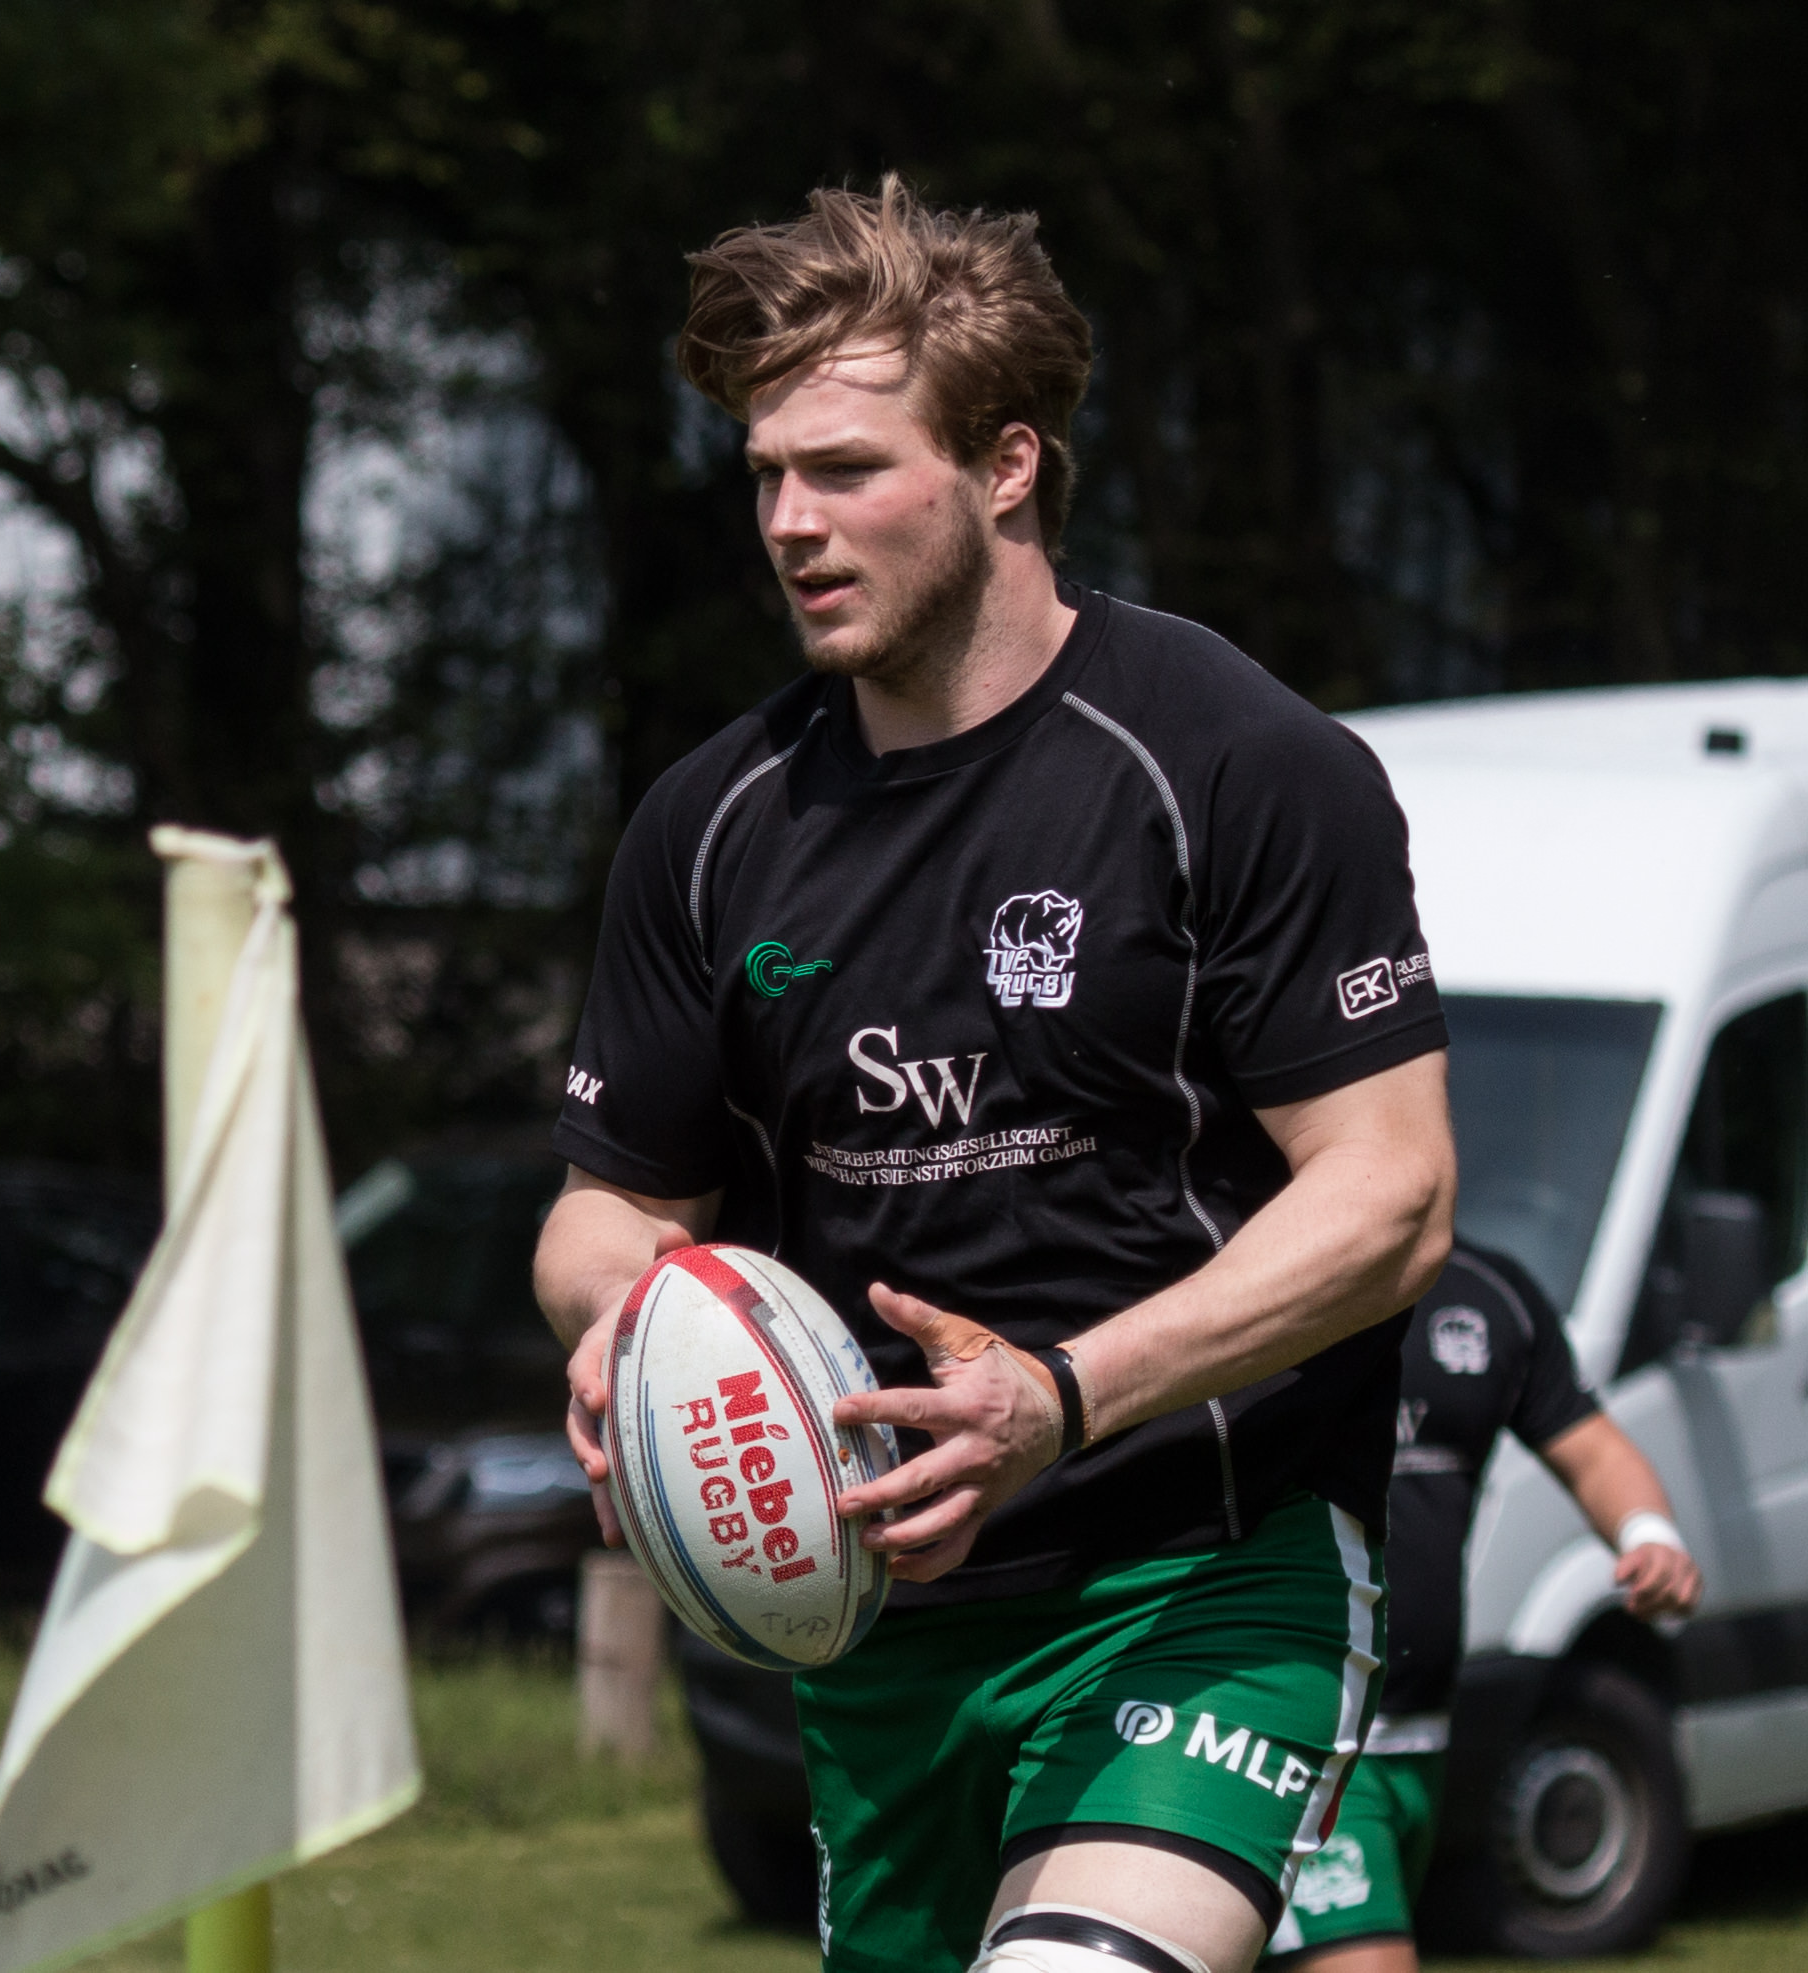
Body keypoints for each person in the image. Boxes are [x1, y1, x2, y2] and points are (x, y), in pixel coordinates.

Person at [534, 177, 1459, 1973]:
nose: (788, 523)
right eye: (763, 476)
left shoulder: (1234, 762)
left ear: (1004, 465)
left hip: (1200, 1573)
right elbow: (607, 1207)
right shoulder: (708, 826)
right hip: (866, 1617)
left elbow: (1390, 1192)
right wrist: (628, 1319)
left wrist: (1057, 1395)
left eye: (843, 470)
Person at [1265, 1244, 1700, 1971]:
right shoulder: (1259, 1270)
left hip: (1423, 1734)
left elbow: (1591, 1447)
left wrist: (1650, 1536)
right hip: (1300, 1727)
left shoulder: (1491, 1293)